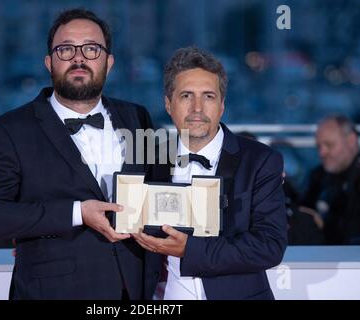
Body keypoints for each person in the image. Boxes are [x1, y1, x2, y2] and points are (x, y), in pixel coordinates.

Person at [0, 8, 153, 299]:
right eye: (66, 49)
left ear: (109, 62)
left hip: (133, 290)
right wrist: (77, 212)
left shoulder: (137, 116)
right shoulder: (7, 130)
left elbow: (156, 189)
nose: (79, 58)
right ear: (49, 62)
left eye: (91, 49)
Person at [133, 47, 287, 300]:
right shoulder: (149, 161)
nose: (197, 108)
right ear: (168, 104)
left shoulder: (260, 160)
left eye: (208, 96)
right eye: (186, 96)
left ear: (222, 105)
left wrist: (190, 250)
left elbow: (269, 246)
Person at [301, 115, 360, 244]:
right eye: (319, 146)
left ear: (351, 141)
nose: (322, 153)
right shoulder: (318, 176)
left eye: (329, 145)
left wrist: (323, 223)